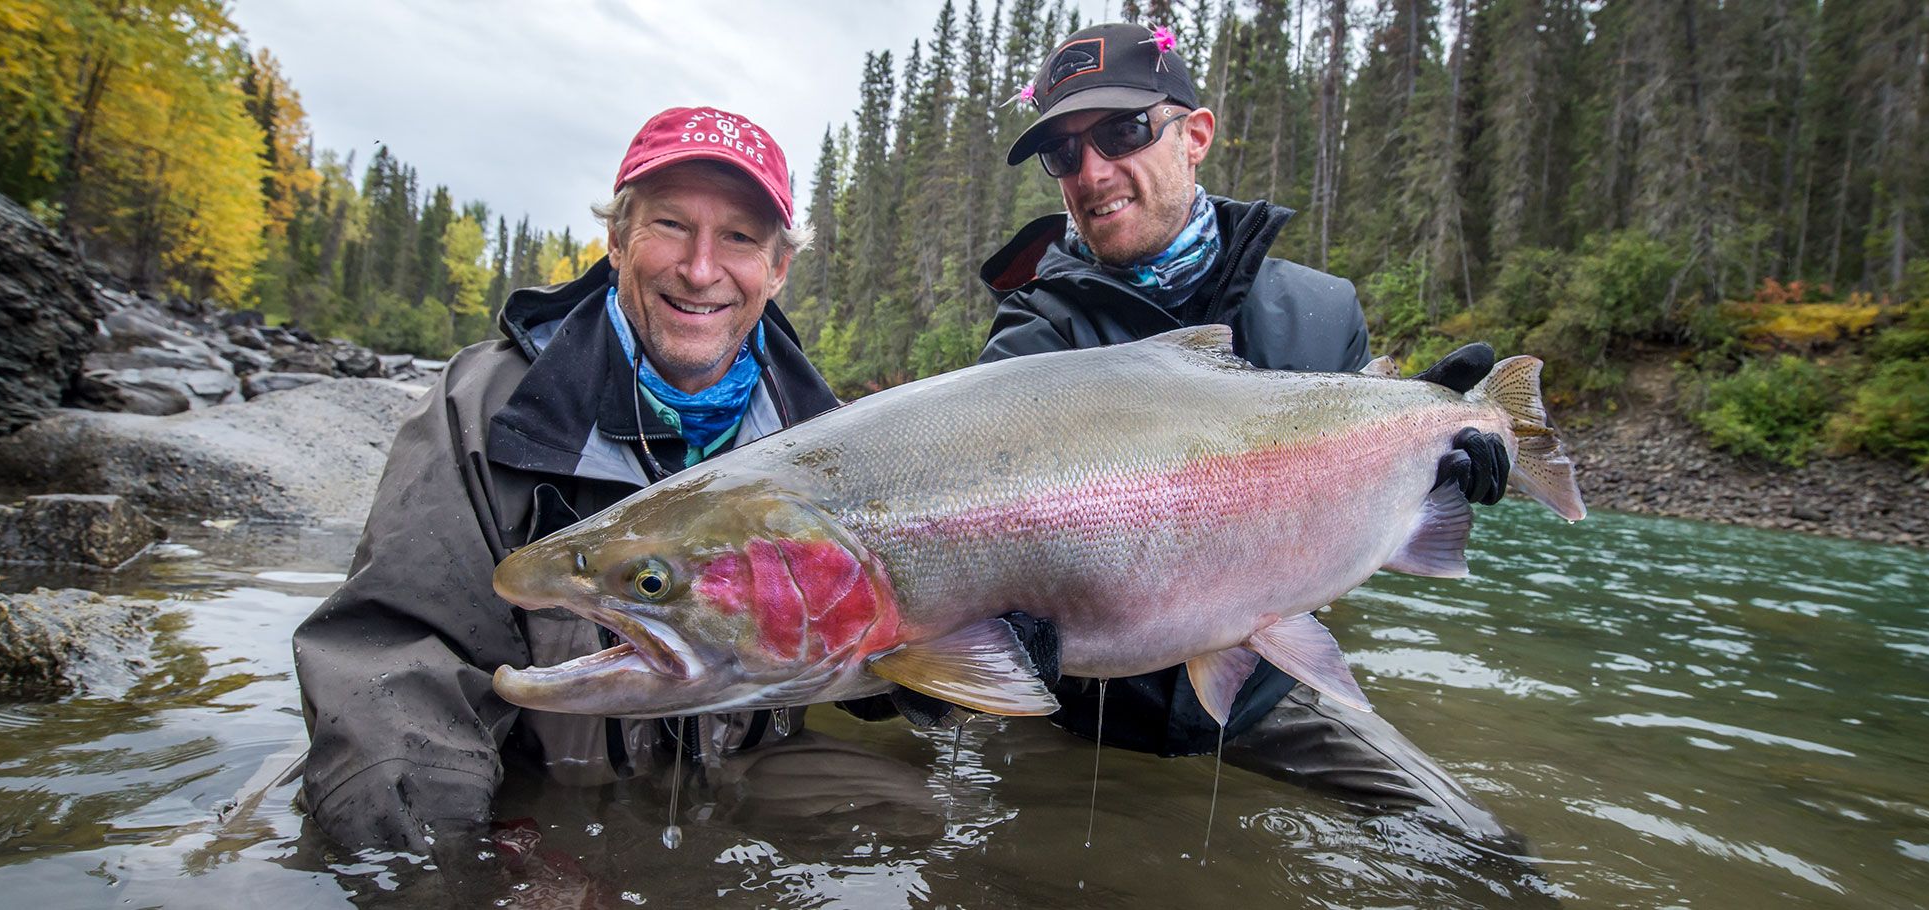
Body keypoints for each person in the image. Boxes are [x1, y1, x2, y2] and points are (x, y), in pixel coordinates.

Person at [978, 23, 1520, 846]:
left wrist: (1445, 465)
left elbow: (1361, 524)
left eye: (1122, 132)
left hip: (1269, 689)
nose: (1092, 172)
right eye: (1063, 151)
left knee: (1480, 848)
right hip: (1076, 707)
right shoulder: (1030, 341)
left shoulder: (1323, 311)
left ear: (1195, 135)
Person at [292, 106, 845, 854]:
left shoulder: (821, 436)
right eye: (671, 225)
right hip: (539, 793)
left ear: (776, 269)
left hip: (753, 769)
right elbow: (394, 660)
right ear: (617, 241)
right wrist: (461, 869)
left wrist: (979, 636)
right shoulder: (484, 410)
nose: (702, 268)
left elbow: (881, 649)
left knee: (911, 819)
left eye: (740, 237)